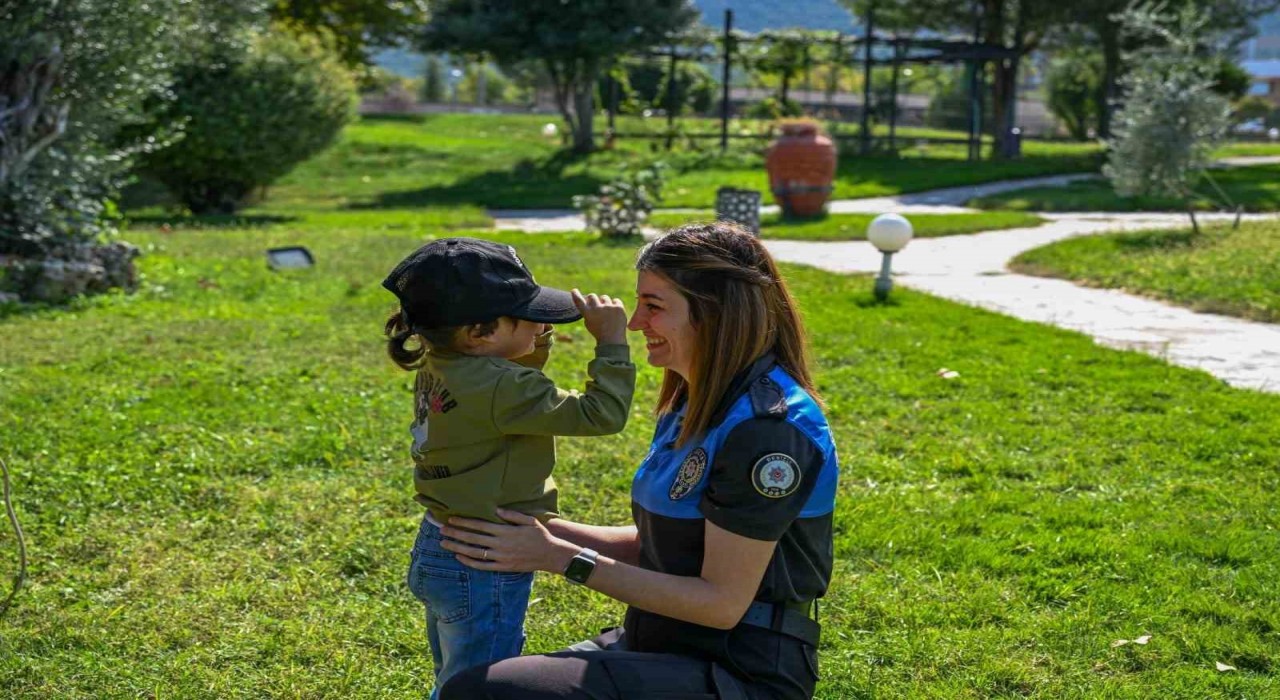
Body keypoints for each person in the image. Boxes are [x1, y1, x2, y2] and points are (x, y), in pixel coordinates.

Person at [434, 223, 839, 700]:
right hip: (662, 643)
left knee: (488, 694)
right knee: (484, 686)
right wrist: (529, 529)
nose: (634, 323)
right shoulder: (699, 400)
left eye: (654, 306)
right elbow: (670, 545)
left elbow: (722, 603)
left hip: (740, 672)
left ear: (714, 313)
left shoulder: (768, 432)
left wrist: (560, 558)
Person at [382, 237, 637, 699]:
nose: (540, 321)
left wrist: (533, 343)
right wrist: (612, 344)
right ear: (480, 332)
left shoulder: (445, 359)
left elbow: (513, 387)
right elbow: (602, 415)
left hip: (440, 545)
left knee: (456, 679)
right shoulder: (502, 386)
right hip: (485, 560)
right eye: (529, 315)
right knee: (483, 687)